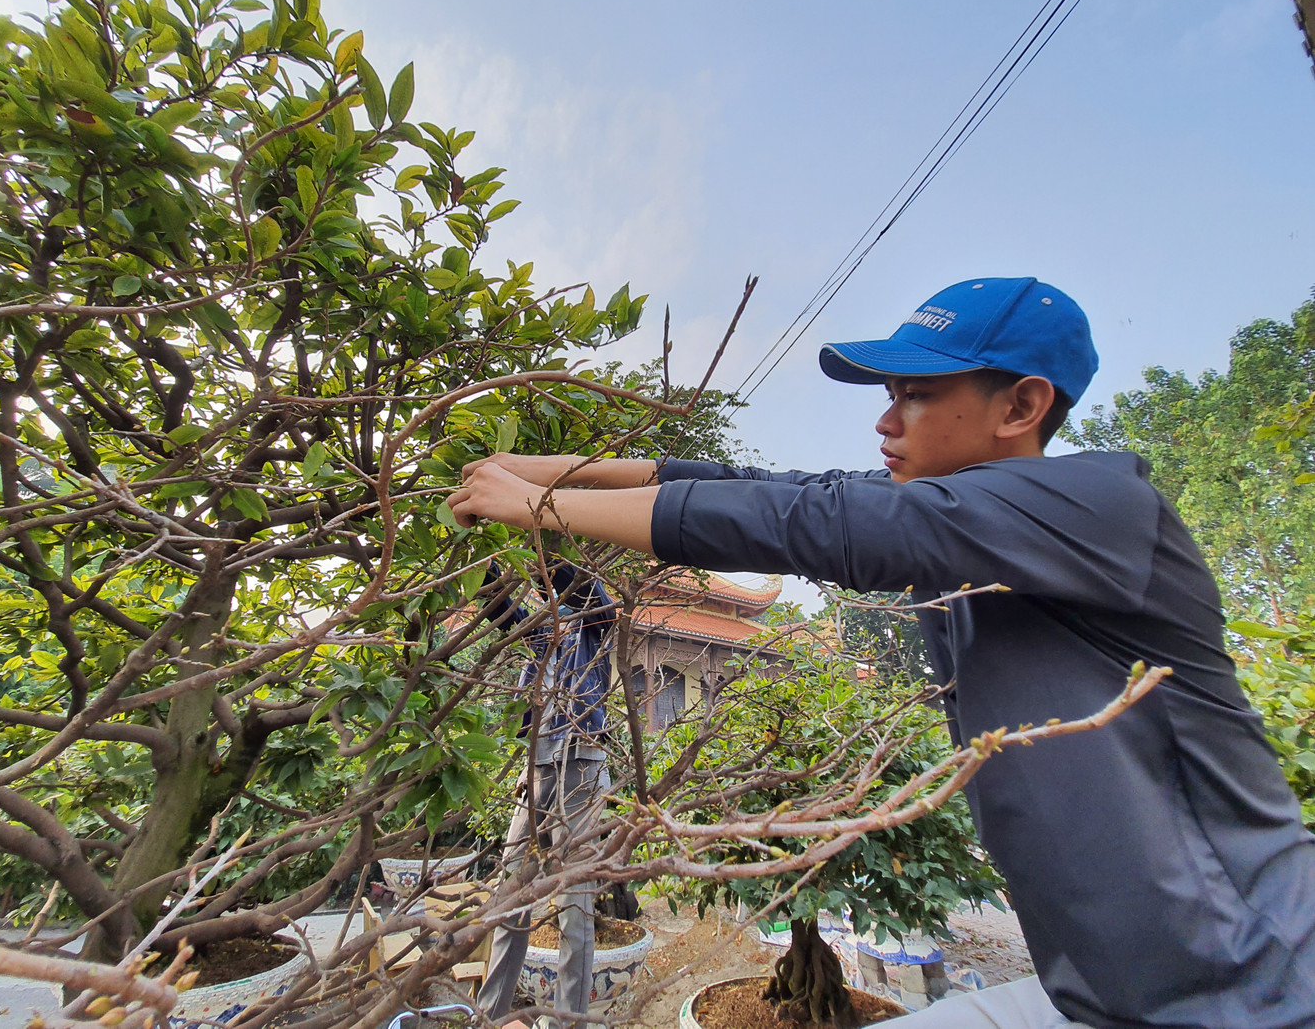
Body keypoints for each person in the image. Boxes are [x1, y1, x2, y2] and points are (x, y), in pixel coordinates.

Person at [447, 277, 1315, 1028]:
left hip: (1259, 985)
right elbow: (772, 489)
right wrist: (554, 468)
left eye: (916, 394)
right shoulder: (955, 511)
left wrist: (538, 508)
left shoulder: (1100, 504)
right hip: (1103, 993)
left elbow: (819, 527)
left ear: (1022, 406)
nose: (885, 418)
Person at [476, 560, 615, 1029]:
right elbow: (503, 608)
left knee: (575, 906)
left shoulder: (595, 625)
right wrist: (486, 564)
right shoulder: (542, 637)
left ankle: (567, 1022)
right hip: (535, 772)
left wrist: (541, 537)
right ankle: (490, 1015)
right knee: (510, 893)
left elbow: (581, 591)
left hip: (582, 765)